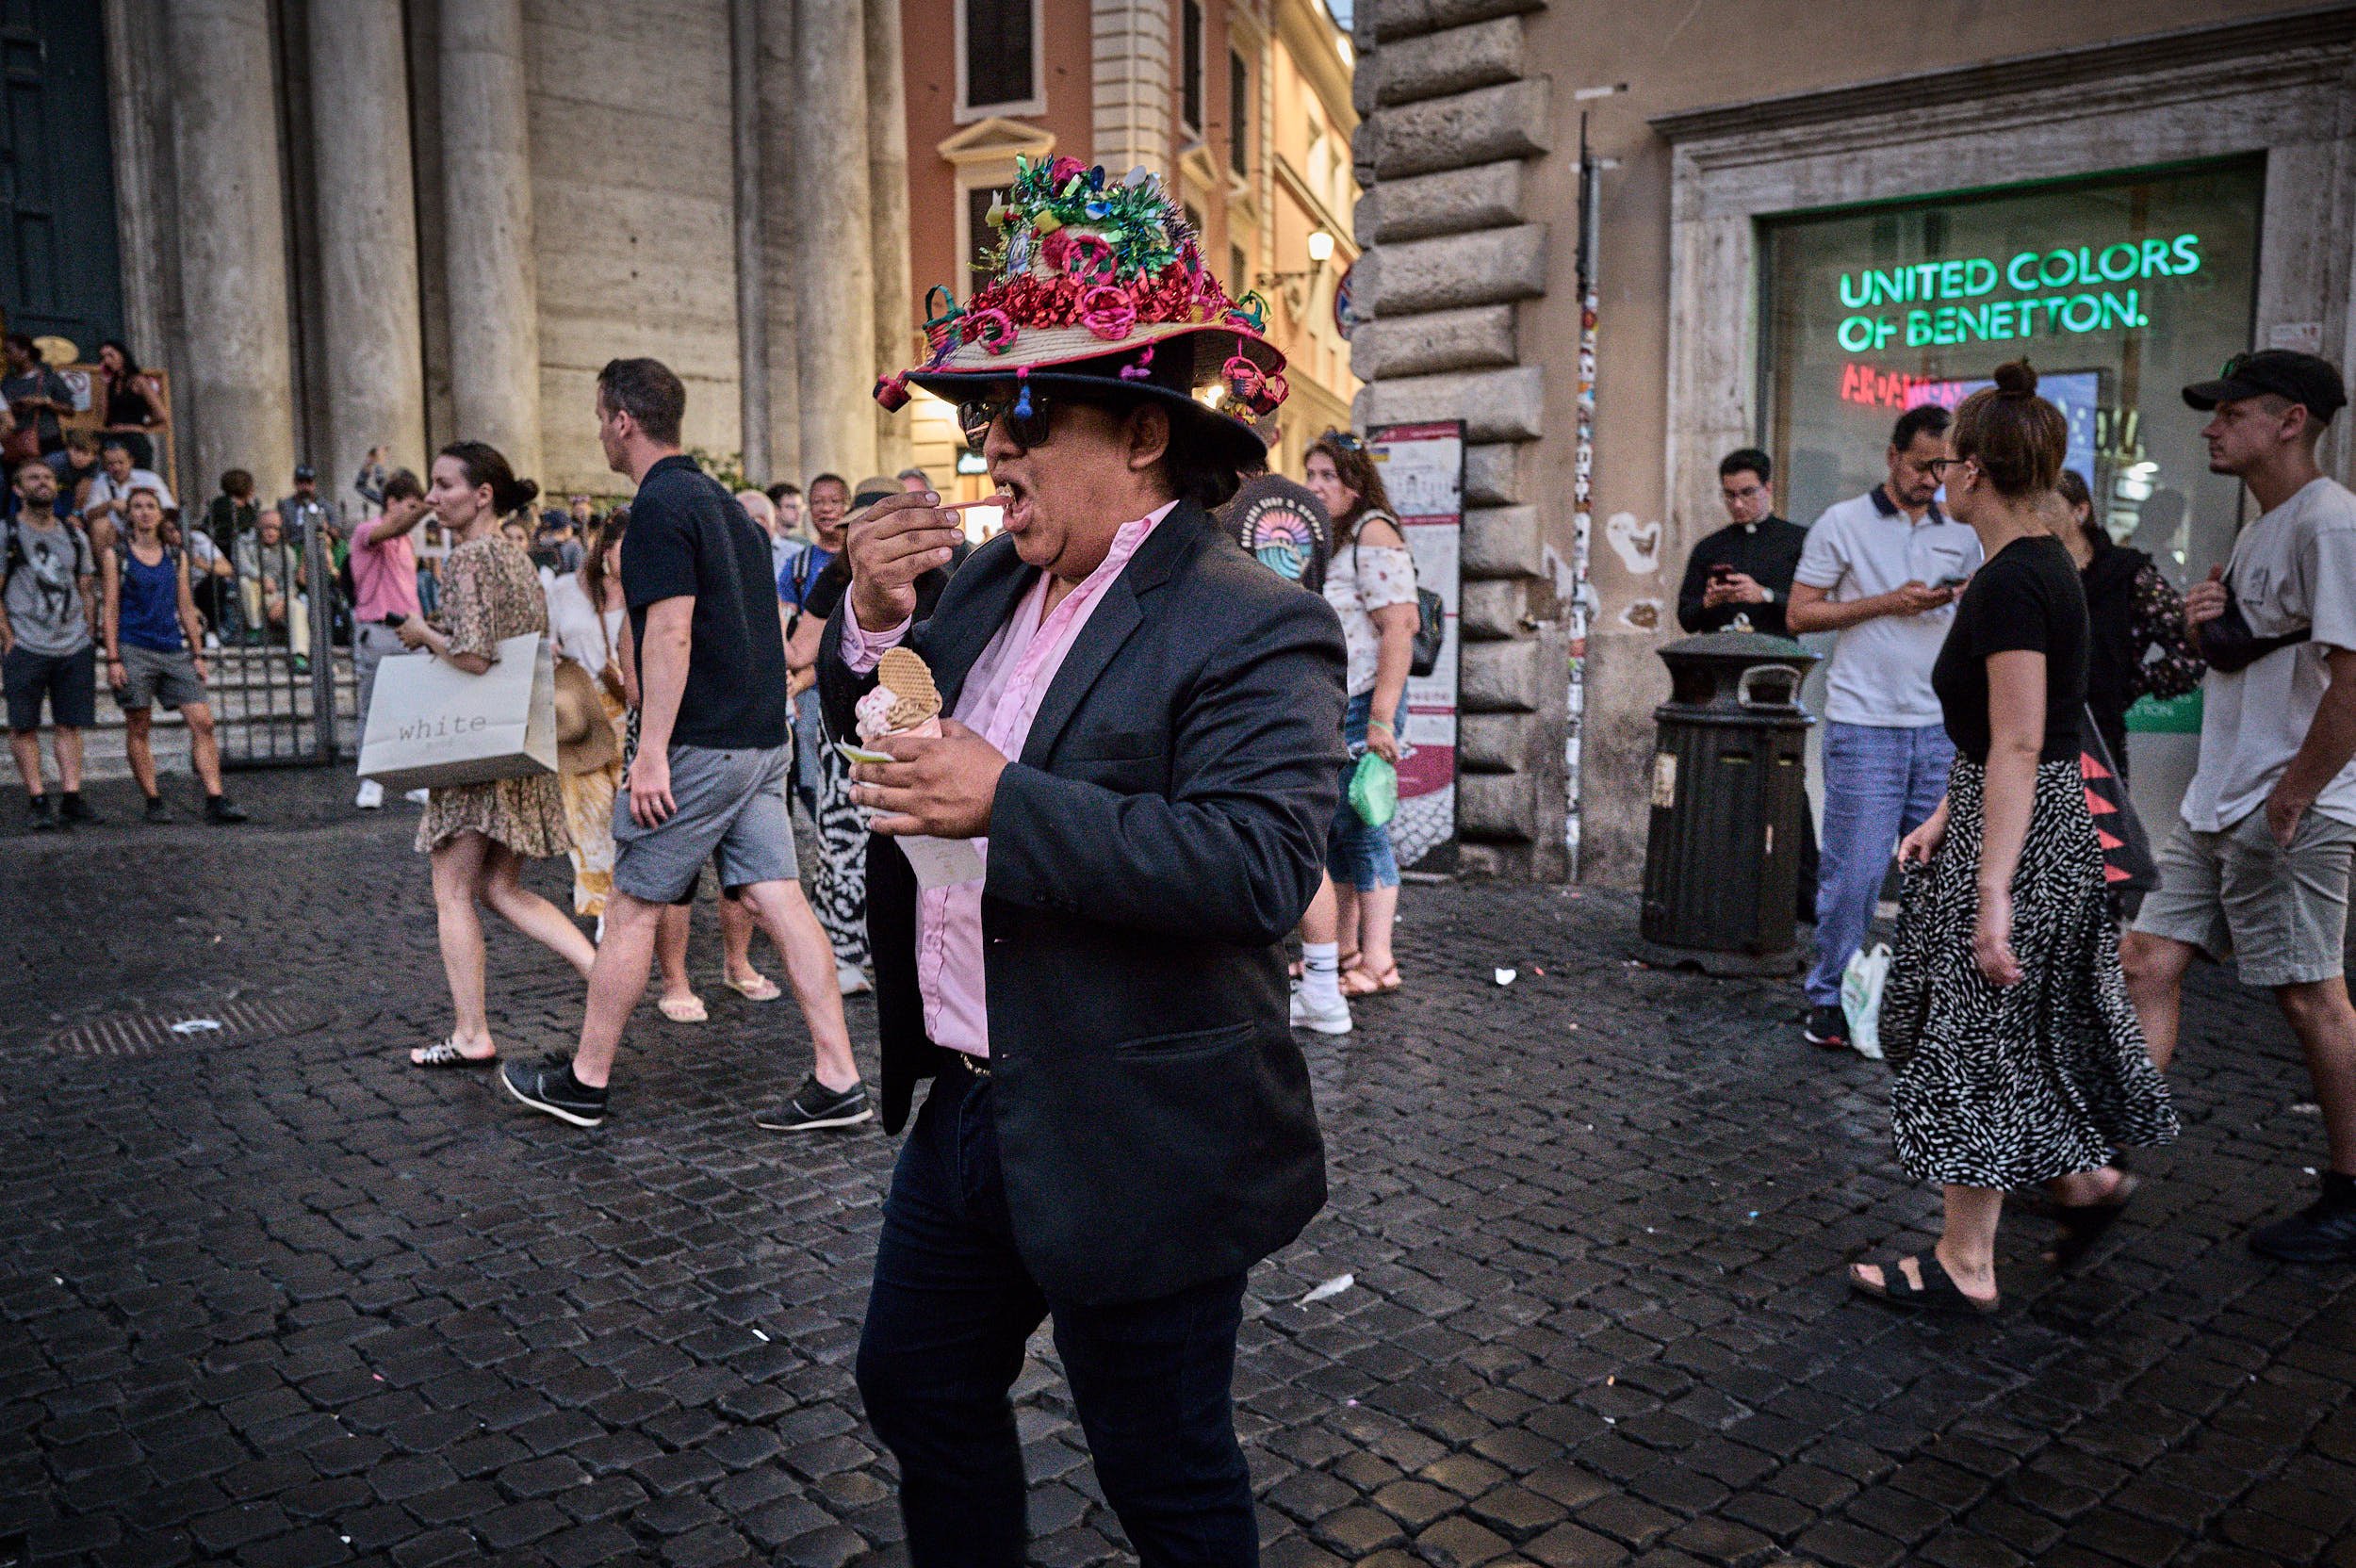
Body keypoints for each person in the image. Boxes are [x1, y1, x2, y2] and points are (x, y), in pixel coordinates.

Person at [830, 156, 1340, 1568]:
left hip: (1139, 1125)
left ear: (1140, 437)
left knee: (1161, 1472)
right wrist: (871, 624)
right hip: (972, 1105)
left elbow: (1259, 869)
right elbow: (882, 715)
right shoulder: (991, 577)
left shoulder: (1251, 620)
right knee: (916, 1383)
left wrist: (1010, 804)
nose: (993, 448)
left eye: (1028, 414)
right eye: (988, 413)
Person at [1851, 363, 2175, 1314]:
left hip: (2028, 842)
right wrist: (1946, 816)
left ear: (1977, 470)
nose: (1935, 478)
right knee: (2016, 1036)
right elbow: (2010, 732)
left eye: (1946, 462)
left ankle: (1966, 1262)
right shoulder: (2032, 568)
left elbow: (2026, 739)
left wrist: (1990, 889)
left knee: (1975, 1040)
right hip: (2031, 826)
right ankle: (2082, 1184)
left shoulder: (2012, 581)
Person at [499, 357, 860, 1132]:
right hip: (759, 739)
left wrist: (651, 749)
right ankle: (839, 1076)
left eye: (600, 417)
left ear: (623, 420)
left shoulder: (661, 506)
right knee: (782, 902)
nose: (599, 430)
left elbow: (668, 630)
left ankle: (586, 1080)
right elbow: (761, 620)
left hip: (700, 745)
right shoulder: (727, 507)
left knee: (631, 907)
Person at [2119, 351, 2356, 1263]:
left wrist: (2291, 796)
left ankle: (2349, 1191)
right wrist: (2203, 626)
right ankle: (2097, 1158)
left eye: (2230, 412)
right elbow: (2263, 657)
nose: (2212, 427)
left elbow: (2350, 678)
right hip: (2220, 799)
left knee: (2310, 996)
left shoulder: (2330, 524)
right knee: (2145, 959)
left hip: (2289, 803)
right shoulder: (2266, 527)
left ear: (2288, 420)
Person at [1788, 403, 1981, 1051]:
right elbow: (1799, 615)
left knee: (1942, 876)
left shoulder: (1964, 528)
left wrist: (1962, 596)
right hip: (1864, 724)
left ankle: (1926, 1001)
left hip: (1942, 728)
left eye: (1943, 467)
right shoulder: (1841, 524)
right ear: (1893, 456)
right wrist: (1890, 603)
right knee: (1858, 872)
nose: (1931, 479)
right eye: (1922, 464)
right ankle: (1828, 999)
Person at [397, 442, 594, 1068]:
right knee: (500, 886)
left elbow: (475, 658)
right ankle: (604, 971)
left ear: (482, 494)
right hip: (516, 739)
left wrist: (422, 633)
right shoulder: (516, 557)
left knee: (452, 890)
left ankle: (471, 1032)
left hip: (474, 743)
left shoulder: (470, 559)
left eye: (444, 484)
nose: (432, 497)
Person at [1305, 432, 1419, 1001]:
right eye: (1311, 474)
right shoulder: (1335, 539)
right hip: (1338, 704)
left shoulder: (1374, 531)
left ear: (1355, 482)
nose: (1316, 486)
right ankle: (1346, 950)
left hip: (1364, 706)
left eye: (1328, 475)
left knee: (1367, 831)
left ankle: (1379, 960)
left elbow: (1400, 624)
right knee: (1338, 834)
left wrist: (1380, 721)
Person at [98, 487, 247, 825]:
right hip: (134, 647)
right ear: (130, 514)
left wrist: (197, 652)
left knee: (203, 722)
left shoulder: (175, 555)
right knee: (139, 724)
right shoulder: (117, 555)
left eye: (151, 506)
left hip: (172, 647)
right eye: (138, 507)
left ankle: (215, 796)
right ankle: (152, 798)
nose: (145, 512)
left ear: (161, 514)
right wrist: (113, 658)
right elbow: (110, 607)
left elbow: (185, 604)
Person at [2047, 468, 2204, 776]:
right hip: (2029, 742)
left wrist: (2128, 683)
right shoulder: (2029, 572)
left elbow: (2190, 647)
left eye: (2044, 504)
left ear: (2079, 511)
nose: (2033, 515)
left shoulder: (2126, 574)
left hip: (2096, 745)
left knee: (2096, 824)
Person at [0, 460, 100, 829]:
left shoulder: (74, 535)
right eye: (33, 478)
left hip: (73, 643)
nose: (43, 483)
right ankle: (38, 798)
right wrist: (9, 638)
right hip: (27, 643)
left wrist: (89, 631)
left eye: (47, 478)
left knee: (69, 724)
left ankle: (71, 796)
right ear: (17, 488)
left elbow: (86, 585)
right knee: (23, 726)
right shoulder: (7, 532)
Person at [348, 469, 429, 809]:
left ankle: (413, 779)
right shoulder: (368, 532)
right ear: (392, 503)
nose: (414, 513)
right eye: (409, 506)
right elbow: (395, 526)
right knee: (374, 710)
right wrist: (426, 508)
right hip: (378, 630)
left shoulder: (406, 540)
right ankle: (371, 781)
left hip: (408, 630)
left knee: (414, 712)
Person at [1677, 448, 1808, 639]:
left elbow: (1810, 612)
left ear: (1768, 488)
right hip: (1719, 658)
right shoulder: (1708, 547)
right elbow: (1686, 620)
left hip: (1777, 657)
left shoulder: (1798, 540)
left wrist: (1765, 595)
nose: (1737, 504)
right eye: (1730, 495)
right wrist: (1709, 601)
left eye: (1747, 493)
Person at [781, 472, 851, 822]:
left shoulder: (863, 559)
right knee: (809, 766)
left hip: (852, 682)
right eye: (819, 502)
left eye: (834, 502)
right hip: (810, 685)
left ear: (848, 505)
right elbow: (784, 624)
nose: (826, 510)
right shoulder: (799, 565)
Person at [235, 506, 310, 665]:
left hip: (275, 598)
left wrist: (282, 602)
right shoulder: (244, 543)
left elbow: (291, 585)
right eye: (266, 527)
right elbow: (241, 566)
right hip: (253, 595)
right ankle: (256, 629)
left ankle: (299, 654)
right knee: (244, 581)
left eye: (275, 528)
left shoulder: (287, 552)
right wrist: (262, 577)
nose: (270, 532)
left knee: (297, 606)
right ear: (258, 528)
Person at [79, 439, 175, 548]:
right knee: (99, 525)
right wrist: (110, 505)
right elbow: (87, 515)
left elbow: (170, 509)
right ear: (104, 465)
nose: (116, 468)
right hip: (116, 534)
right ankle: (109, 563)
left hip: (150, 528)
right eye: (110, 464)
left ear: (131, 461)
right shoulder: (100, 482)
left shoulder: (150, 479)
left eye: (121, 462)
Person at [93, 340, 164, 472]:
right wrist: (104, 382)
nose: (107, 361)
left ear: (122, 356)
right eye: (103, 358)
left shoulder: (138, 381)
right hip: (113, 441)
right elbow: (102, 417)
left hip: (133, 441)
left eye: (111, 355)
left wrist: (140, 427)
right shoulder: (111, 384)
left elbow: (161, 414)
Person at [2, 333, 71, 462]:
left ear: (24, 352)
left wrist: (45, 402)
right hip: (17, 442)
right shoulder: (8, 381)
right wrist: (13, 406)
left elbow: (69, 410)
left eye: (9, 352)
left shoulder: (49, 378)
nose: (6, 357)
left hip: (48, 441)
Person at [353, 444, 391, 509]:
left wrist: (380, 461)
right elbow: (360, 486)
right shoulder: (391, 500)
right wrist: (369, 463)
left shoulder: (392, 501)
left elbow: (380, 482)